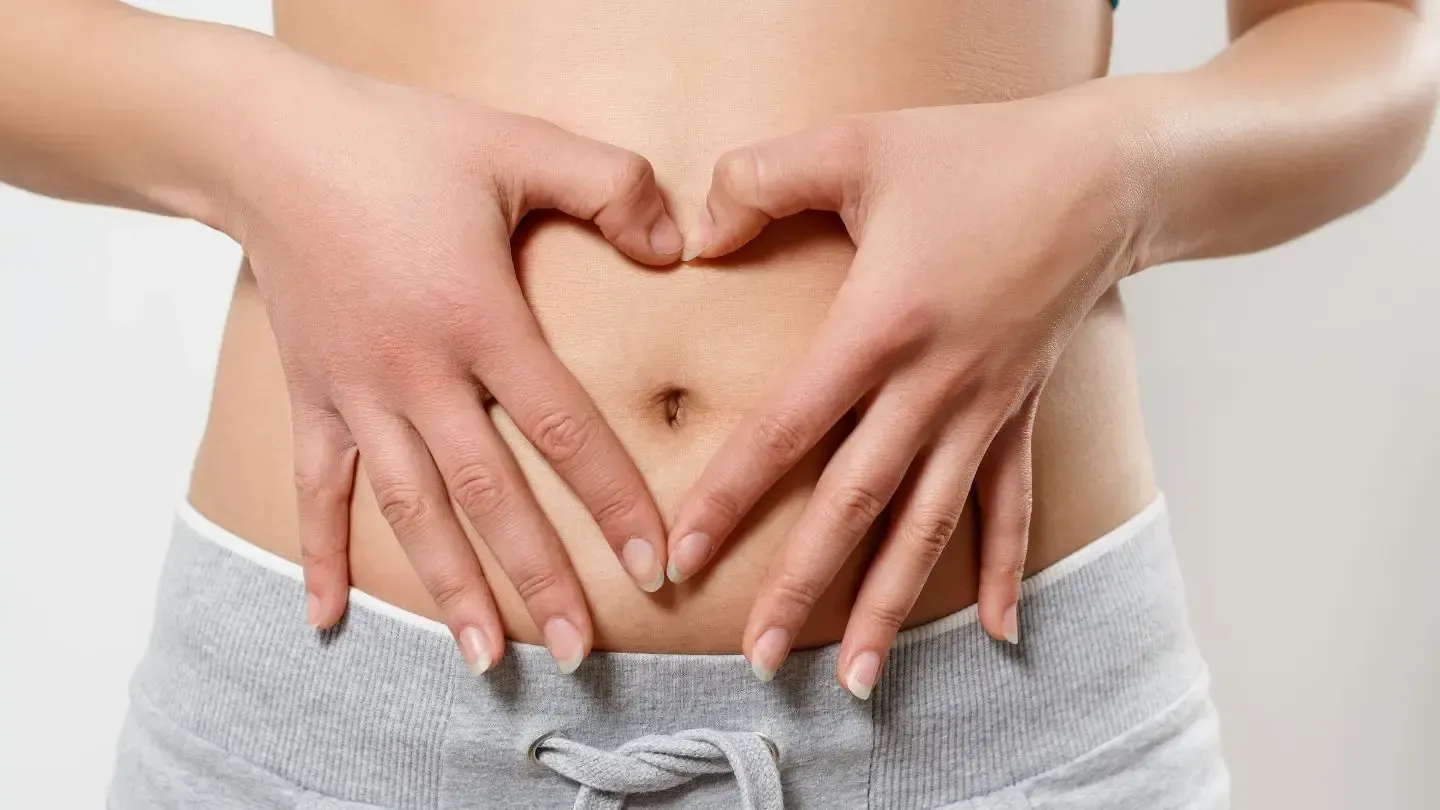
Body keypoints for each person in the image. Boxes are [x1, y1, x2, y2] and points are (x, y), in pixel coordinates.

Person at [4, 0, 1434, 806]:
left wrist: (1118, 174)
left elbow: (1369, 40)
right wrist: (258, 132)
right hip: (334, 731)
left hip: (1001, 732)